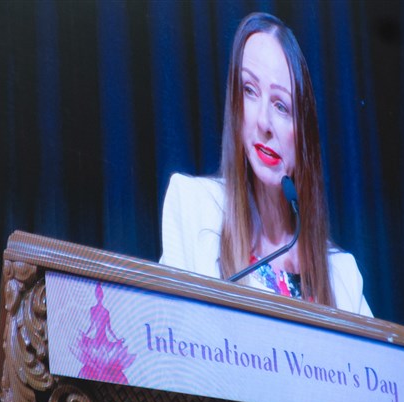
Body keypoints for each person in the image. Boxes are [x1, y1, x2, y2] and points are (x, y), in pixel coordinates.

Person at [159, 12, 373, 317]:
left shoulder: (341, 273)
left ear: (304, 134)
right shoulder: (194, 207)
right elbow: (171, 332)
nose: (263, 122)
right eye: (249, 90)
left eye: (281, 106)